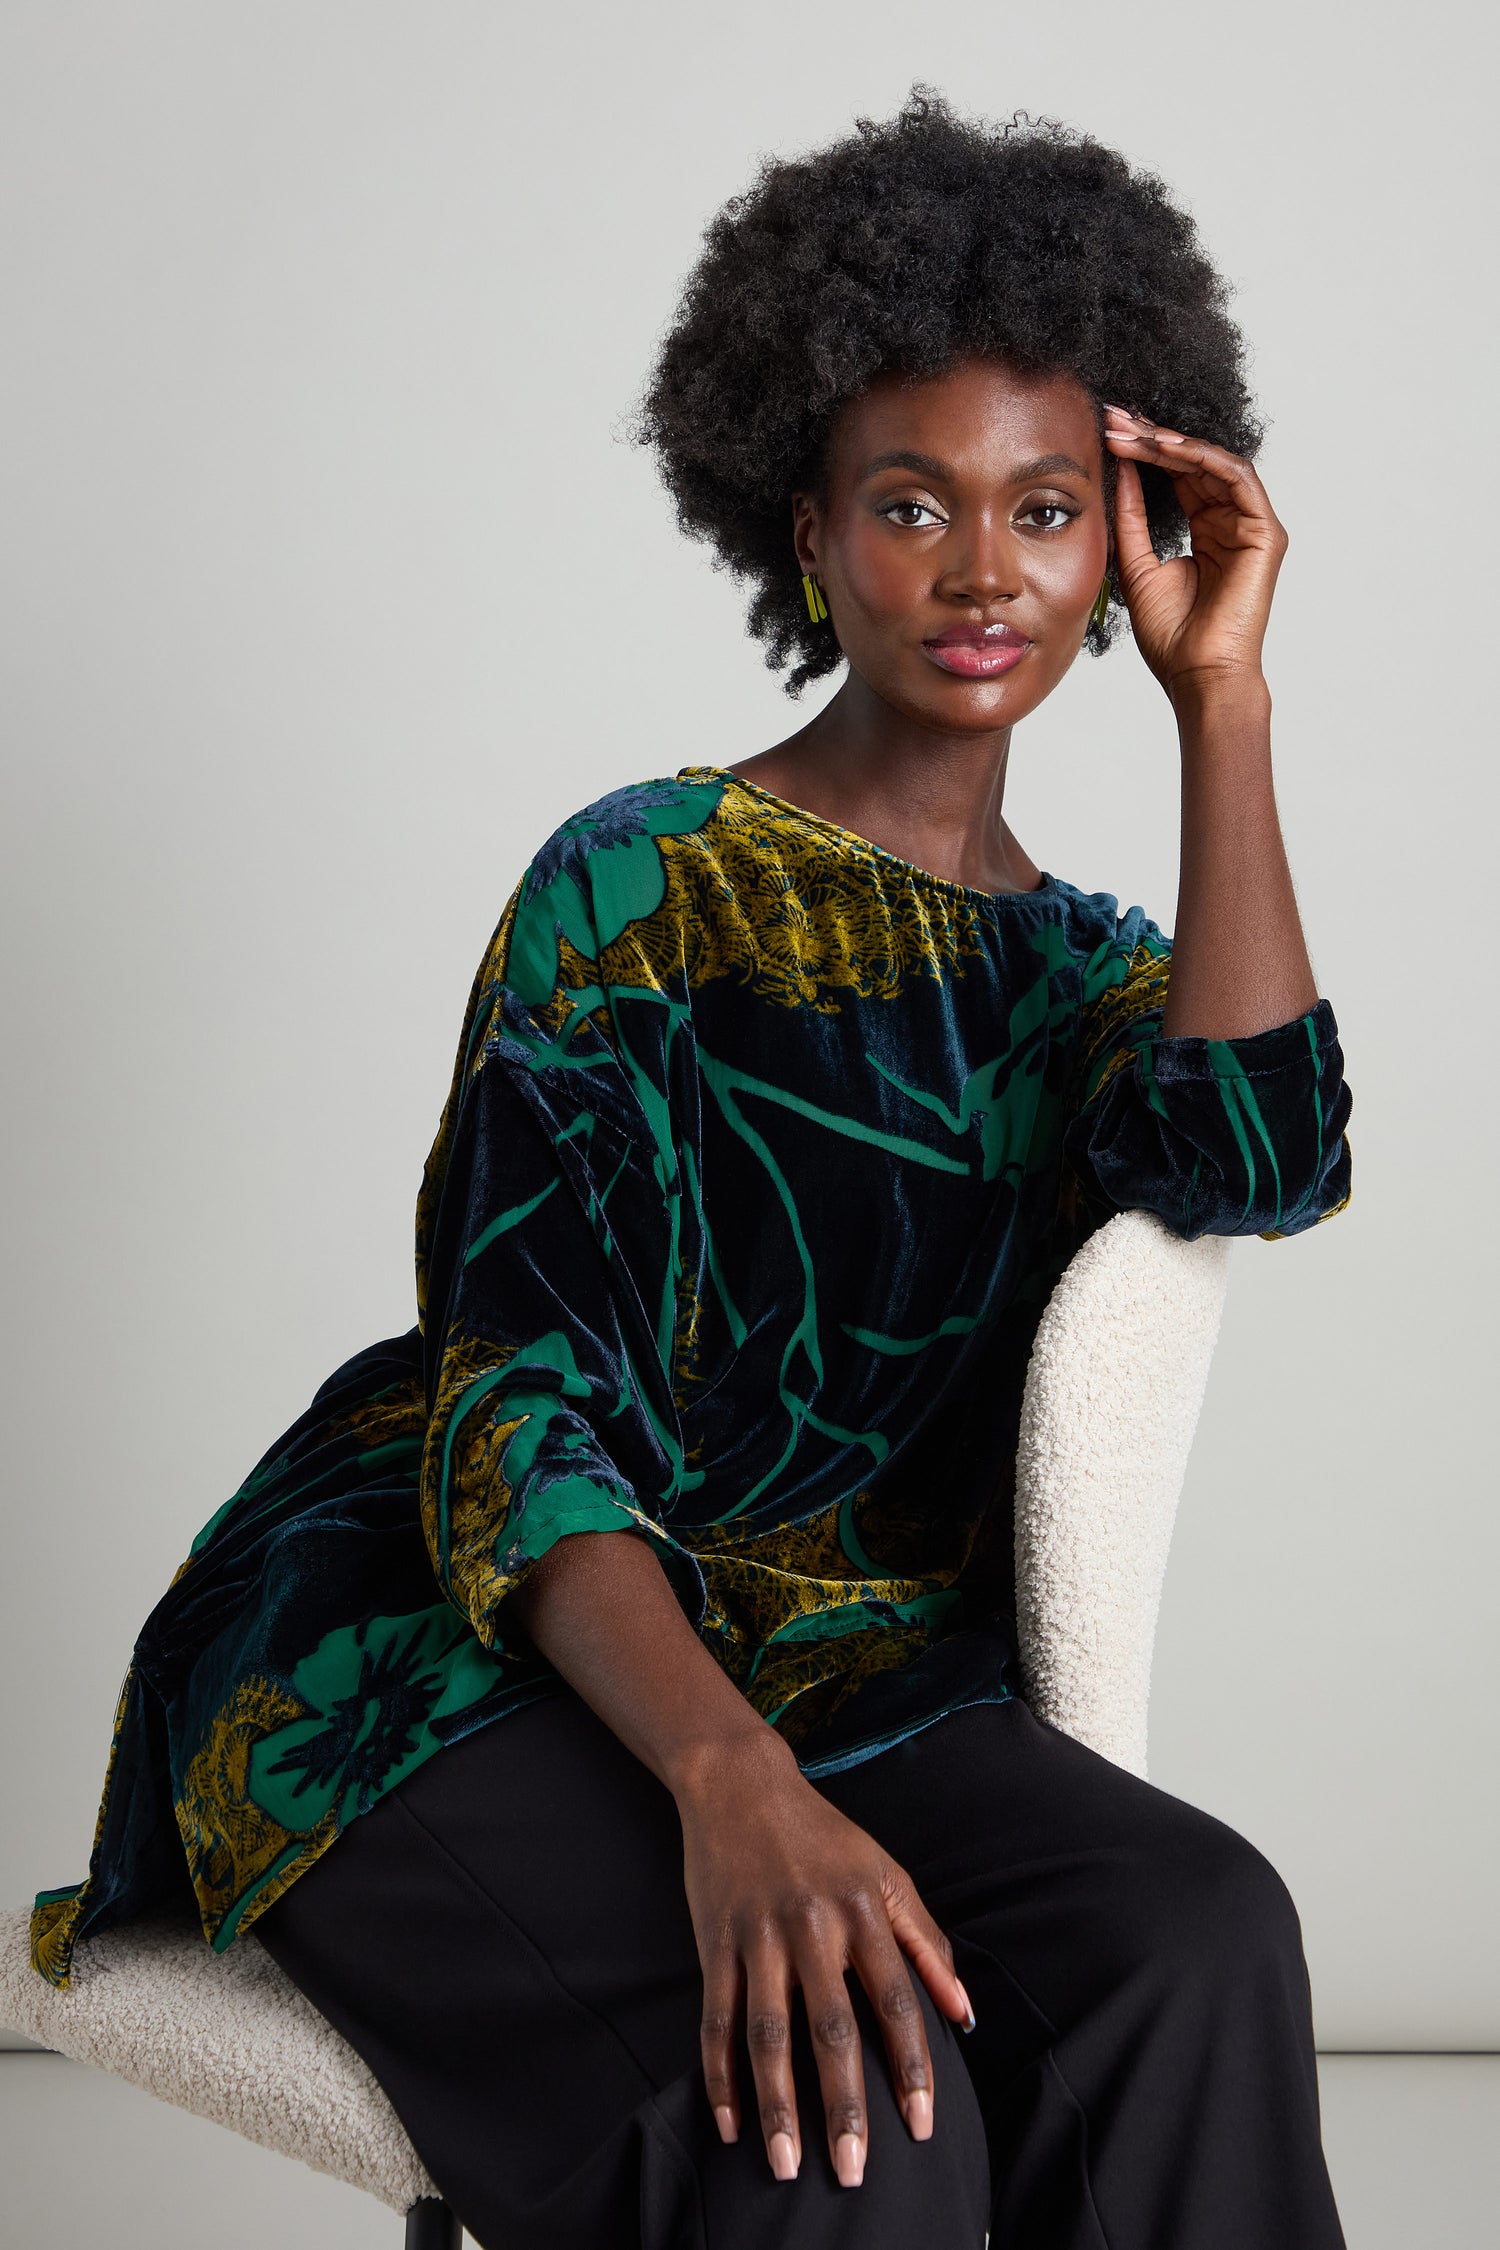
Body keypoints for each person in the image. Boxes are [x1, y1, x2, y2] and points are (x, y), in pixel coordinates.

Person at [32, 92, 1353, 2250]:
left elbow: (1265, 1155)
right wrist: (727, 1787)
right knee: (852, 2117)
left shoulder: (1092, 975)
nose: (983, 568)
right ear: (807, 529)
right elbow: (520, 1410)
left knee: (1204, 1934)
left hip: (855, 1673)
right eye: (912, 502)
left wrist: (1230, 707)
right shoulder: (636, 886)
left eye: (1045, 511)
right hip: (441, 1650)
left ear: (1125, 540)